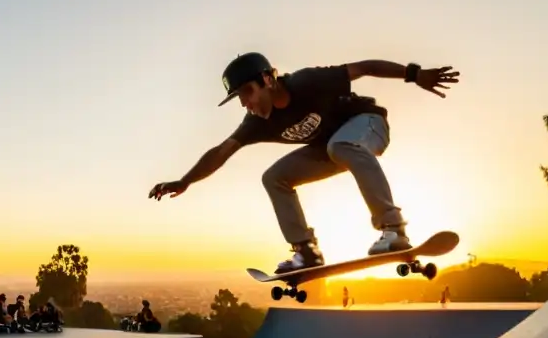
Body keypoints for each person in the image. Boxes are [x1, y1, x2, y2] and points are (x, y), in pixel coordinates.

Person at [149, 53, 459, 273]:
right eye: (240, 98)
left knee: (341, 144)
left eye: (247, 92)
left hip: (367, 125)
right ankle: (306, 251)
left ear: (268, 79)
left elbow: (364, 67)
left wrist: (415, 74)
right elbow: (221, 151)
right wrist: (185, 180)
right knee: (274, 177)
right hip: (332, 150)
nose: (246, 104)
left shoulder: (308, 82)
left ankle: (394, 229)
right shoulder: (255, 123)